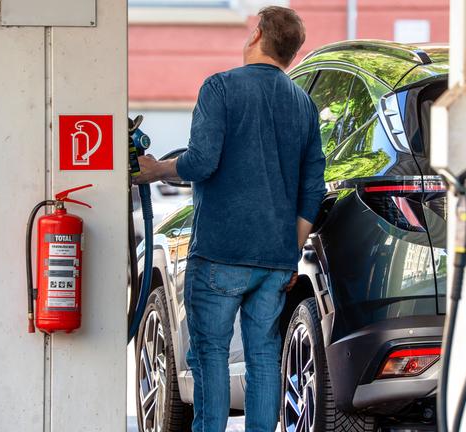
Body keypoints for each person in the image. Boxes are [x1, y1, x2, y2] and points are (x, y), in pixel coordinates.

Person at [132, 6, 325, 432]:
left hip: (221, 250)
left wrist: (155, 169)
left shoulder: (220, 88)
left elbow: (201, 162)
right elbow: (314, 190)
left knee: (209, 352)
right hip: (275, 259)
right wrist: (289, 251)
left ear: (256, 33)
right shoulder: (304, 106)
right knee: (262, 355)